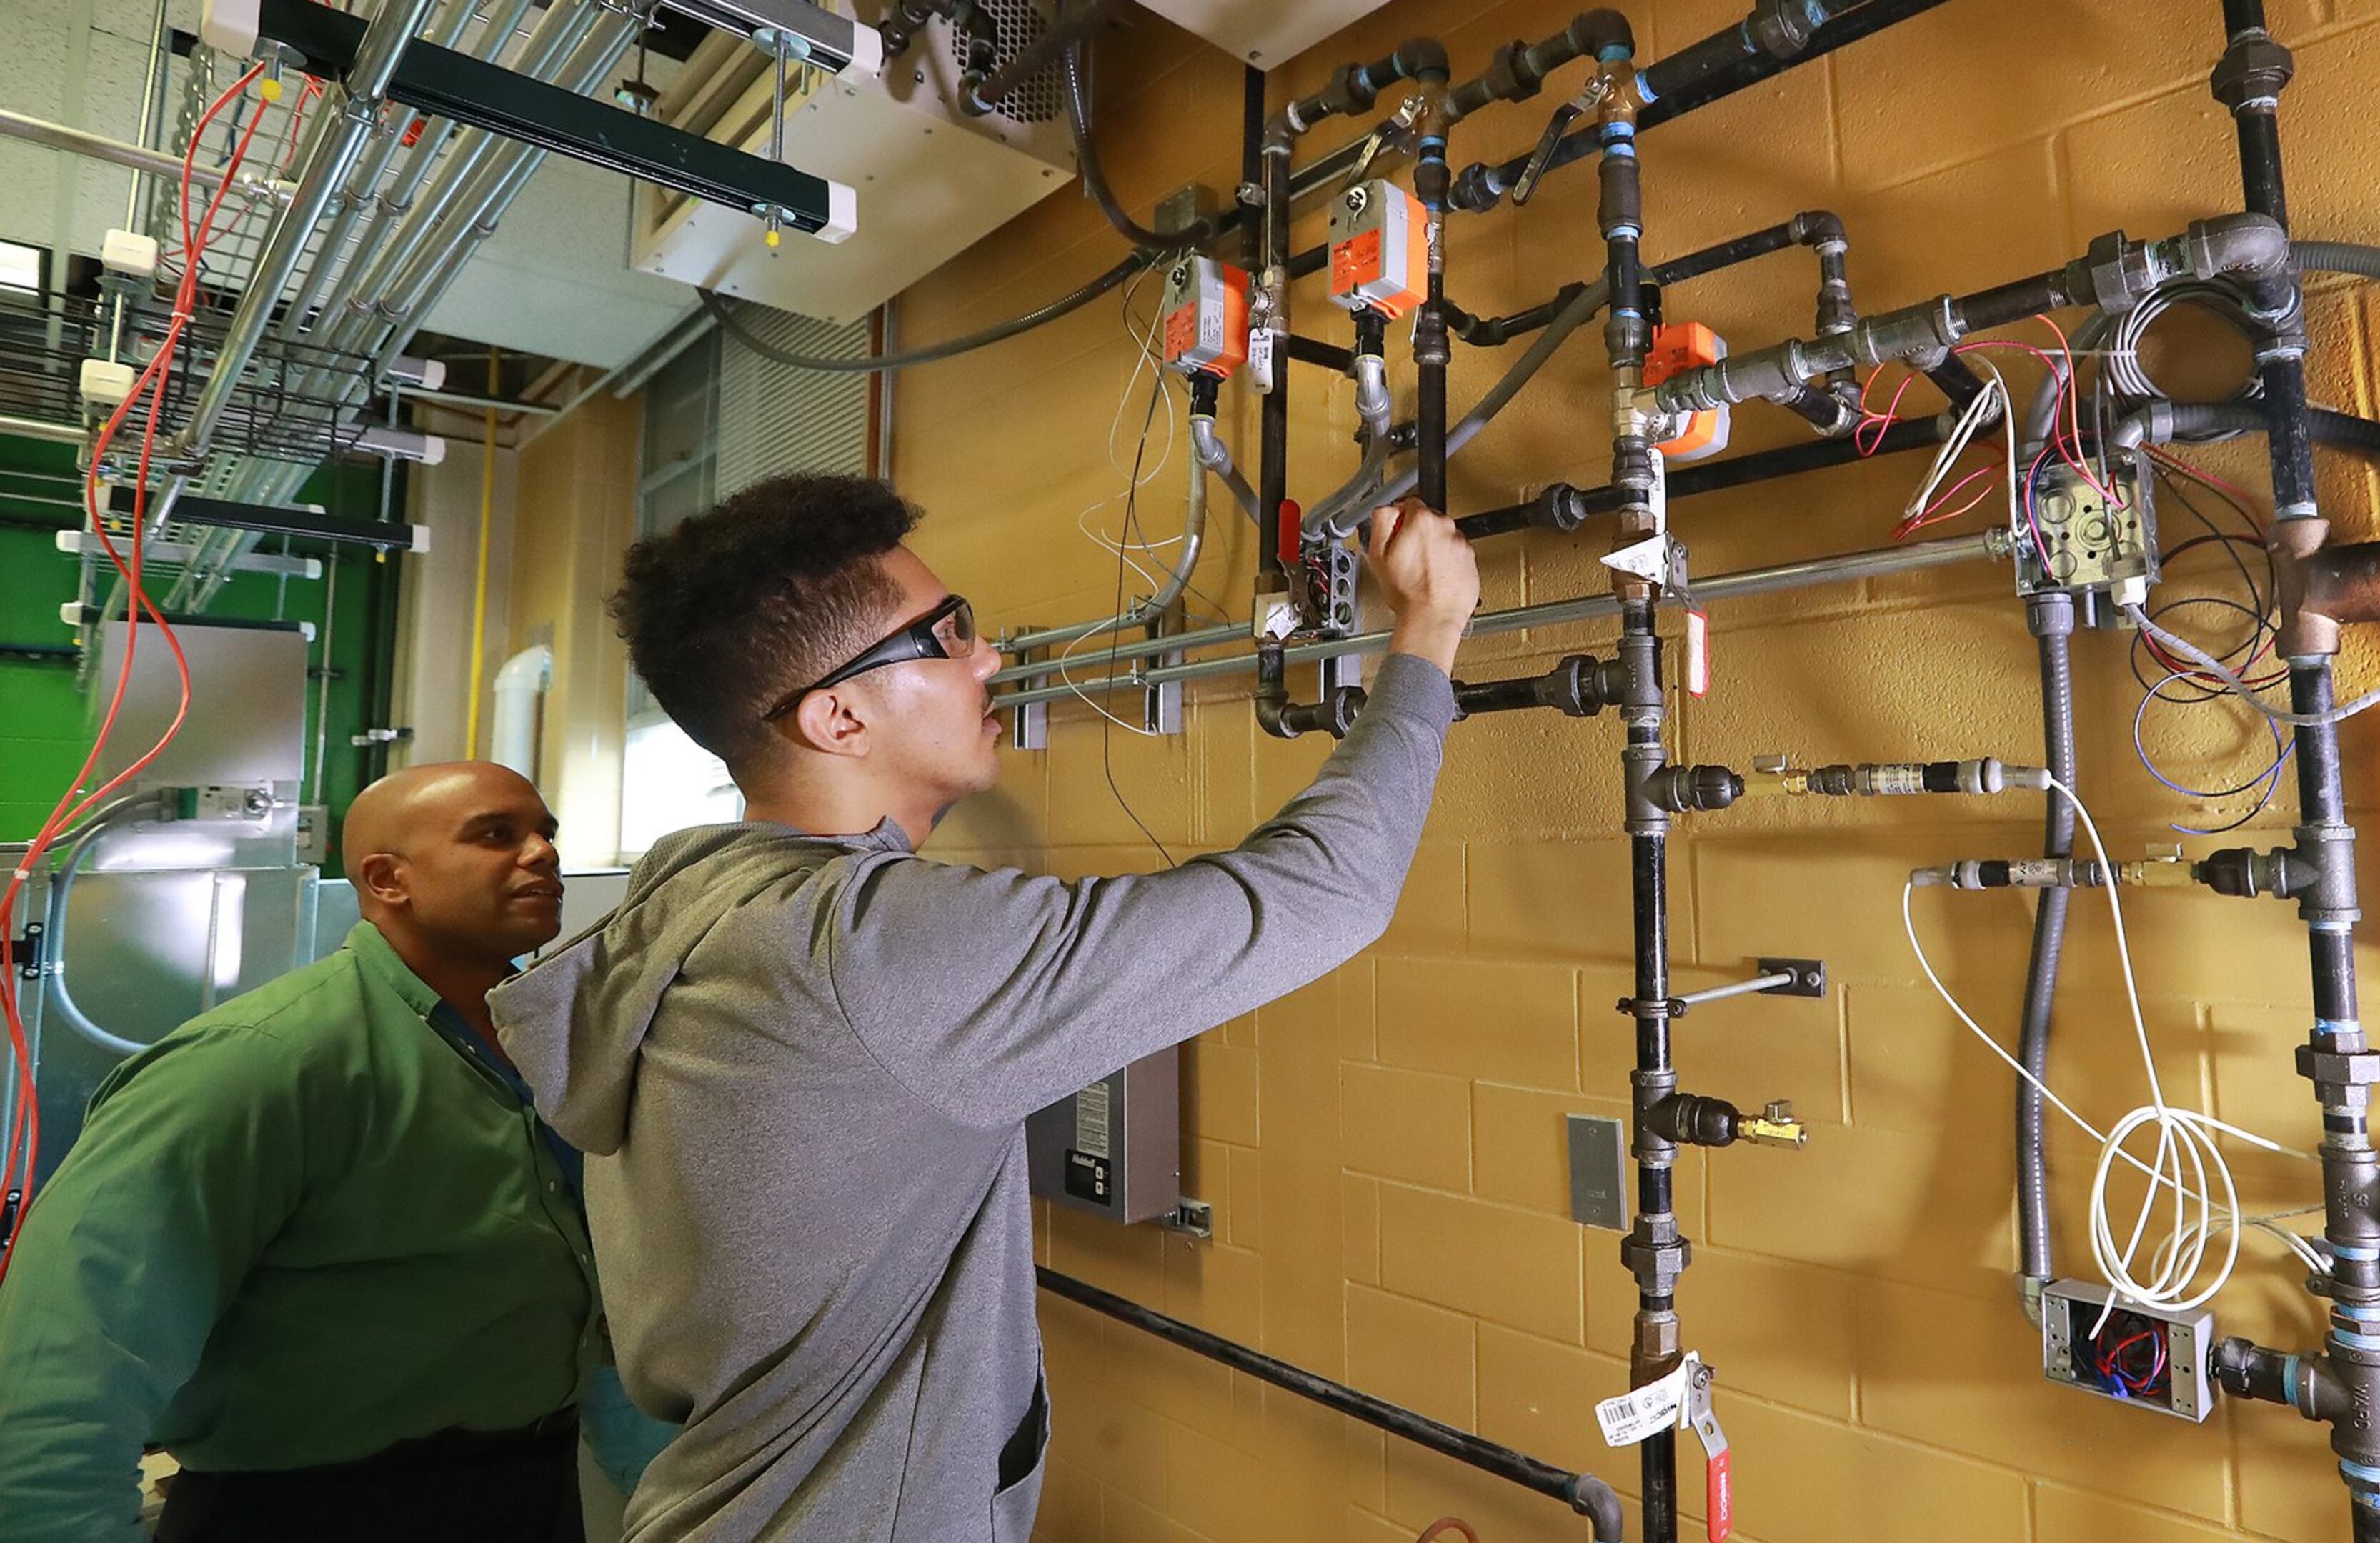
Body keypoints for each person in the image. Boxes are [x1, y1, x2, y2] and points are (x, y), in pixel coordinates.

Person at [490, 473, 1476, 1543]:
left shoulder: (706, 909)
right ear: (837, 713)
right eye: (947, 633)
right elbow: (1320, 895)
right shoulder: (860, 952)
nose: (990, 658)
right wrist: (1426, 636)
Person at [0, 762, 599, 1542]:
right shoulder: (257, 1065)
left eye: (545, 832)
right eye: (496, 835)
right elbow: (64, 1377)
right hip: (312, 1512)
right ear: (388, 879)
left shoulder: (555, 1054)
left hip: (529, 1494)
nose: (543, 853)